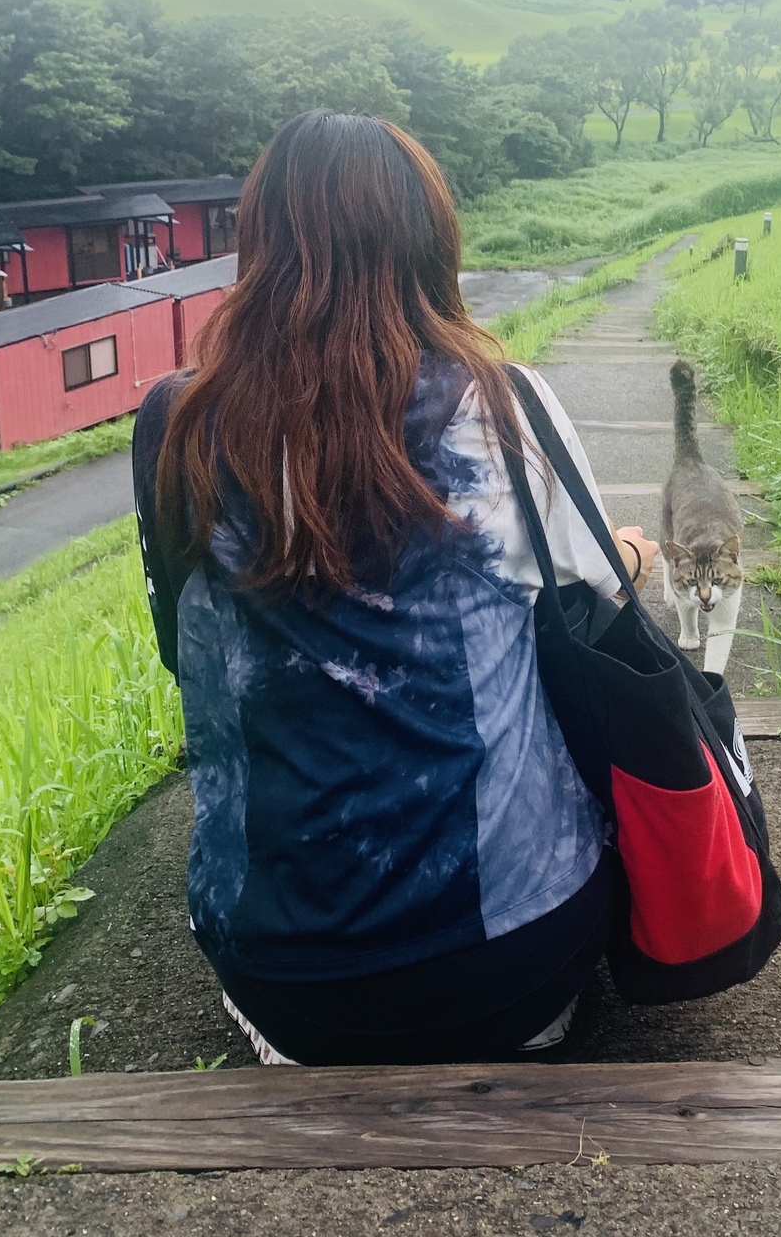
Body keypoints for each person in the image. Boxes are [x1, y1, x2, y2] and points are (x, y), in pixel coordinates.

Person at [133, 109, 659, 1066]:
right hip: (519, 968)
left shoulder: (177, 427)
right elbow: (588, 583)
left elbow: (184, 649)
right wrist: (629, 549)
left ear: (261, 246)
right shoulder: (501, 403)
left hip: (290, 991)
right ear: (430, 242)